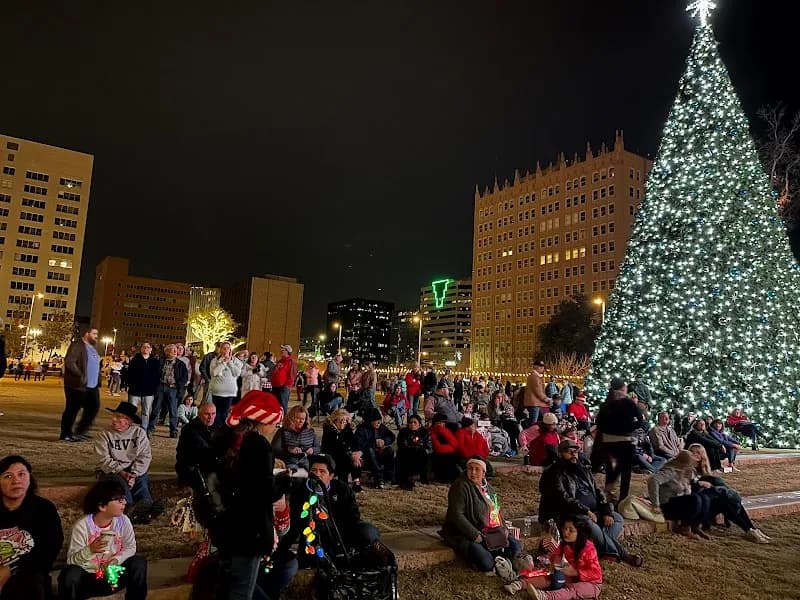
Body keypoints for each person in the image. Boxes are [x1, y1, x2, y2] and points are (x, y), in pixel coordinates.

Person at [206, 390, 288, 600]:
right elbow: (263, 492)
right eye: (275, 423)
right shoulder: (259, 446)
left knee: (226, 584)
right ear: (264, 420)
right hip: (249, 530)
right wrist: (284, 482)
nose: (275, 428)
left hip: (225, 524)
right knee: (242, 590)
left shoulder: (229, 439)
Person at [538, 440, 643, 567]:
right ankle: (622, 554)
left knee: (617, 518)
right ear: (560, 454)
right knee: (588, 523)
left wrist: (606, 512)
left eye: (575, 452)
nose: (573, 455)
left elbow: (598, 492)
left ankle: (601, 547)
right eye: (569, 452)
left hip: (592, 511)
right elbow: (563, 498)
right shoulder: (555, 472)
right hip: (569, 513)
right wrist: (586, 511)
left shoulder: (583, 469)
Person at [58, 480, 147, 600]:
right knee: (70, 574)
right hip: (89, 578)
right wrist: (89, 550)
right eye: (119, 500)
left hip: (114, 575)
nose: (124, 502)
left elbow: (130, 547)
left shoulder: (123, 521)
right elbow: (71, 561)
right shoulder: (82, 527)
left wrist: (116, 560)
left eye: (124, 498)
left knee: (138, 563)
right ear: (102, 506)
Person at [441, 457, 523, 575]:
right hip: (466, 534)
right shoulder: (460, 486)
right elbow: (457, 515)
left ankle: (503, 560)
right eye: (470, 469)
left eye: (477, 469)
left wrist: (503, 528)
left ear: (483, 473)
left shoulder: (489, 489)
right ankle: (497, 559)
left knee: (515, 547)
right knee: (486, 562)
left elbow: (497, 511)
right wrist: (475, 535)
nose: (473, 472)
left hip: (490, 532)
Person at [0, 455, 63, 600]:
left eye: (21, 474)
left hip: (29, 574)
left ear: (30, 478)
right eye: (8, 476)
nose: (16, 480)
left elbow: (48, 551)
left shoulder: (44, 509)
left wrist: (10, 569)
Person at [686, 444, 771, 543]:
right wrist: (699, 484)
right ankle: (749, 530)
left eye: (698, 453)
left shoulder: (704, 470)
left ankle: (752, 529)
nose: (695, 455)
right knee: (725, 502)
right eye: (692, 452)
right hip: (696, 505)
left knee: (729, 500)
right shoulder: (687, 469)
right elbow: (685, 488)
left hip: (706, 502)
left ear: (702, 455)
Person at [504, 518, 603, 599]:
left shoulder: (588, 548)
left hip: (591, 583)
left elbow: (594, 572)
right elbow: (556, 554)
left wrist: (574, 572)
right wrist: (554, 563)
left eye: (571, 530)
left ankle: (546, 596)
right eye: (565, 528)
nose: (566, 532)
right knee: (550, 579)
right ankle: (519, 584)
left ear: (580, 533)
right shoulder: (566, 544)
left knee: (572, 589)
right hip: (571, 578)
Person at [595, 377, 644, 501]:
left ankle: (608, 490)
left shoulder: (607, 403)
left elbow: (599, 421)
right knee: (625, 470)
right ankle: (623, 497)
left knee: (611, 467)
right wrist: (630, 427)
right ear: (623, 388)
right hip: (625, 439)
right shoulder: (628, 402)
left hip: (607, 440)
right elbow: (640, 419)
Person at [648, 450, 710, 540]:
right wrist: (655, 504)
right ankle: (684, 527)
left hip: (678, 502)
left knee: (704, 498)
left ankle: (695, 526)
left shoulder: (685, 471)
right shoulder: (671, 470)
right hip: (667, 505)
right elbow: (653, 480)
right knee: (695, 499)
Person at [60, 326, 102, 442]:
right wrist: (80, 375)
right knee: (72, 409)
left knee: (93, 408)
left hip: (92, 386)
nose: (96, 336)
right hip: (77, 385)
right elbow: (69, 362)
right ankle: (66, 434)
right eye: (94, 334)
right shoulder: (77, 346)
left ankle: (80, 431)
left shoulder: (93, 348)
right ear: (87, 334)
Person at [149, 344, 188, 439]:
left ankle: (173, 430)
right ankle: (151, 429)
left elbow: (184, 377)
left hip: (173, 388)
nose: (175, 352)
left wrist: (178, 385)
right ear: (166, 352)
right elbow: (154, 374)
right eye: (172, 350)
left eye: (175, 350)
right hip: (161, 387)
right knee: (156, 409)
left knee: (173, 410)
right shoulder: (160, 362)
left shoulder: (180, 364)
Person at [175, 402, 218, 487]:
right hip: (191, 467)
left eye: (213, 413)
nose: (211, 417)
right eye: (207, 414)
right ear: (199, 414)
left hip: (204, 462)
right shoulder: (190, 429)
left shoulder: (214, 426)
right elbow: (205, 449)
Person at [320, 409, 363, 492]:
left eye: (345, 420)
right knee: (346, 459)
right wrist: (350, 454)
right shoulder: (329, 430)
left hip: (344, 456)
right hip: (331, 456)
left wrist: (356, 453)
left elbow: (354, 443)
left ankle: (356, 482)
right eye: (341, 420)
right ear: (335, 420)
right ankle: (344, 484)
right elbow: (333, 447)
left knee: (355, 458)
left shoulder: (347, 430)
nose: (343, 422)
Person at [354, 408, 395, 489]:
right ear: (370, 421)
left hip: (379, 454)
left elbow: (391, 436)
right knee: (370, 450)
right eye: (376, 421)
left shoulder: (381, 427)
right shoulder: (361, 429)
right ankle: (379, 477)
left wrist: (384, 441)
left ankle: (389, 475)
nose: (379, 422)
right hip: (367, 458)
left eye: (379, 420)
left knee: (389, 450)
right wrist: (374, 442)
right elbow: (359, 446)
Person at [126, 342, 161, 432]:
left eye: (148, 347)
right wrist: (130, 385)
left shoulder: (155, 361)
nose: (146, 348)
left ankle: (144, 429)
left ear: (151, 349)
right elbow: (129, 374)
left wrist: (154, 388)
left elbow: (157, 376)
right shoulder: (135, 360)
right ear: (141, 348)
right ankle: (130, 428)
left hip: (148, 391)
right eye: (144, 347)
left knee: (146, 412)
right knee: (131, 411)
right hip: (135, 391)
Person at [272, 406, 320, 472]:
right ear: (291, 418)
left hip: (308, 461)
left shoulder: (310, 431)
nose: (301, 421)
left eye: (303, 419)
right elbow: (275, 449)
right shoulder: (283, 431)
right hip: (289, 461)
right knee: (295, 473)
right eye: (298, 418)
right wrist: (289, 450)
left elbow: (318, 448)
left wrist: (313, 450)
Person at [209, 342, 243, 428]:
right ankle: (216, 430)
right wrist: (223, 363)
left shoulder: (236, 361)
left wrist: (230, 362)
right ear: (220, 350)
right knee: (216, 413)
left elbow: (237, 373)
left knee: (224, 413)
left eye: (228, 348)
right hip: (217, 391)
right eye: (224, 348)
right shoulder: (214, 361)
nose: (226, 350)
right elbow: (214, 373)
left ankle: (222, 430)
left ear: (230, 350)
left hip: (229, 392)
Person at [430, 415, 461, 483]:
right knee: (445, 457)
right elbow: (437, 447)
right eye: (439, 423)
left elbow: (455, 444)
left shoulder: (446, 430)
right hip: (438, 453)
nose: (442, 424)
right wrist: (450, 448)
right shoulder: (432, 431)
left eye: (443, 422)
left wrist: (443, 431)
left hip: (449, 452)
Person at [271, 345, 297, 415]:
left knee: (282, 405)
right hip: (275, 386)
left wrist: (287, 385)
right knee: (275, 404)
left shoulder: (291, 362)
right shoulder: (280, 361)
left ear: (288, 351)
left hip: (284, 387)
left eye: (283, 350)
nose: (281, 351)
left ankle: (283, 419)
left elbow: (292, 375)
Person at [524, 360, 550, 427]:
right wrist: (546, 399)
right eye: (540, 366)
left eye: (542, 367)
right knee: (533, 423)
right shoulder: (535, 377)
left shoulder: (533, 376)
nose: (542, 368)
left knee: (537, 421)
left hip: (534, 403)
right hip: (534, 403)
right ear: (535, 366)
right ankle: (530, 433)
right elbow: (538, 391)